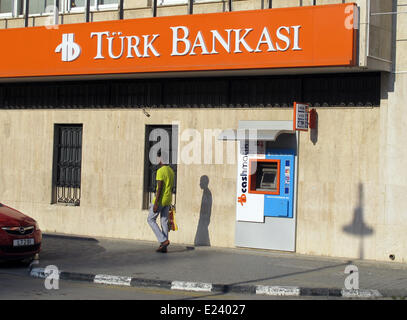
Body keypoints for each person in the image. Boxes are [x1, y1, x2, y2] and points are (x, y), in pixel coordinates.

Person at [147, 150, 174, 253]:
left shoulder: (160, 171)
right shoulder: (171, 171)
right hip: (168, 200)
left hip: (160, 200)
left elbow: (159, 188)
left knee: (150, 219)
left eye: (158, 158)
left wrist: (156, 203)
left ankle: (163, 240)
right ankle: (164, 247)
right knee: (164, 222)